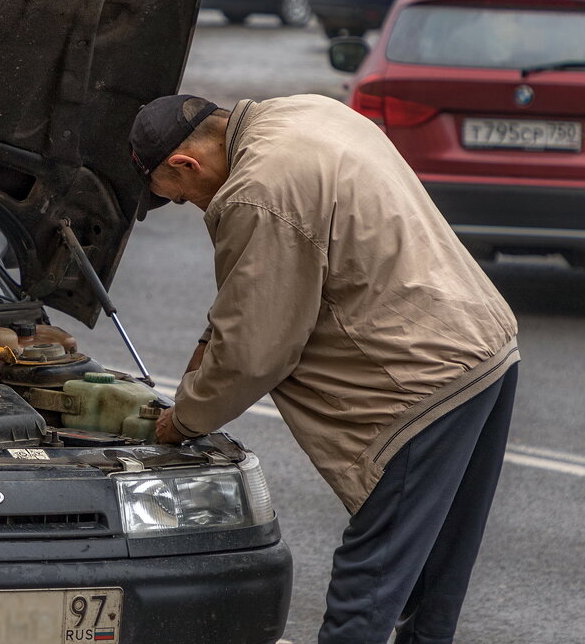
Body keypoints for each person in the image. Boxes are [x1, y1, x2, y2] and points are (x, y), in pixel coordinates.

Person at [129, 93, 519, 644]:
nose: (193, 206)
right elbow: (269, 279)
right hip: (483, 347)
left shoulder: (256, 190)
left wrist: (184, 420)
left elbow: (255, 353)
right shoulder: (306, 112)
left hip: (419, 384)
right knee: (436, 574)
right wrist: (207, 342)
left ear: (185, 164)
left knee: (372, 576)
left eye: (180, 197)